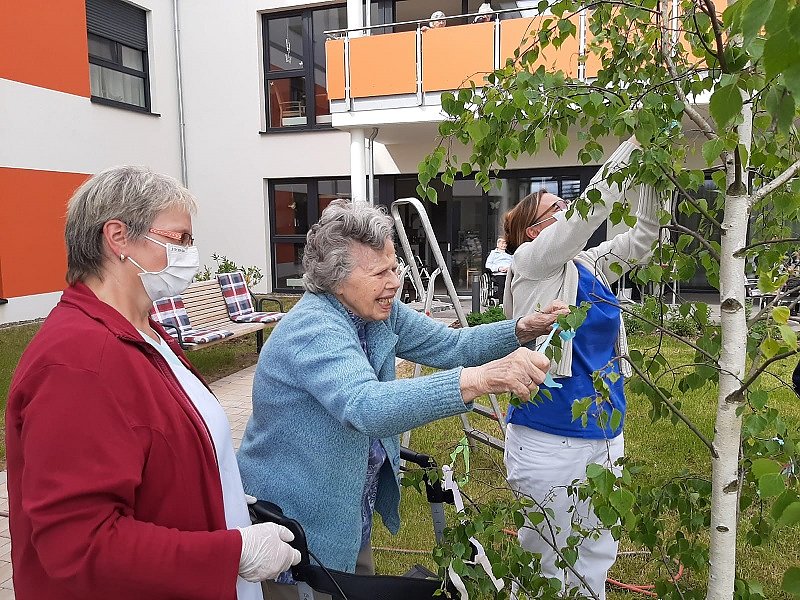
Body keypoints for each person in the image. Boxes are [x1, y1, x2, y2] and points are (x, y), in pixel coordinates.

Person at [236, 199, 566, 600]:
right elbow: (367, 406)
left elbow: (452, 346)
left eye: (395, 267)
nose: (395, 282)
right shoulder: (313, 327)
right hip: (294, 528)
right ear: (336, 280)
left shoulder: (374, 310)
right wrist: (479, 380)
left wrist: (520, 329)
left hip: (345, 510)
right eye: (380, 272)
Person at [6, 166, 301, 600]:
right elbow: (78, 545)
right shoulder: (77, 363)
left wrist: (223, 498)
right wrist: (230, 554)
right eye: (179, 239)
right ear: (118, 238)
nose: (190, 253)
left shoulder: (144, 331)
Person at [502, 138, 660, 600]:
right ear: (534, 231)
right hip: (549, 434)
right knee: (544, 561)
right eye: (556, 207)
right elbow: (583, 218)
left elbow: (644, 238)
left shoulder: (586, 265)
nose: (568, 207)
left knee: (595, 552)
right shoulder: (529, 263)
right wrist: (634, 144)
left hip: (606, 433)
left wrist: (652, 170)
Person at [485, 236, 513, 302]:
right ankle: (501, 302)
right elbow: (488, 265)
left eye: (505, 243)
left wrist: (509, 268)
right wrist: (498, 268)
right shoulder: (493, 254)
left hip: (509, 273)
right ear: (498, 244)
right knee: (502, 283)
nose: (504, 245)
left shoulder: (509, 255)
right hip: (499, 273)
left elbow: (514, 264)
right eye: (502, 243)